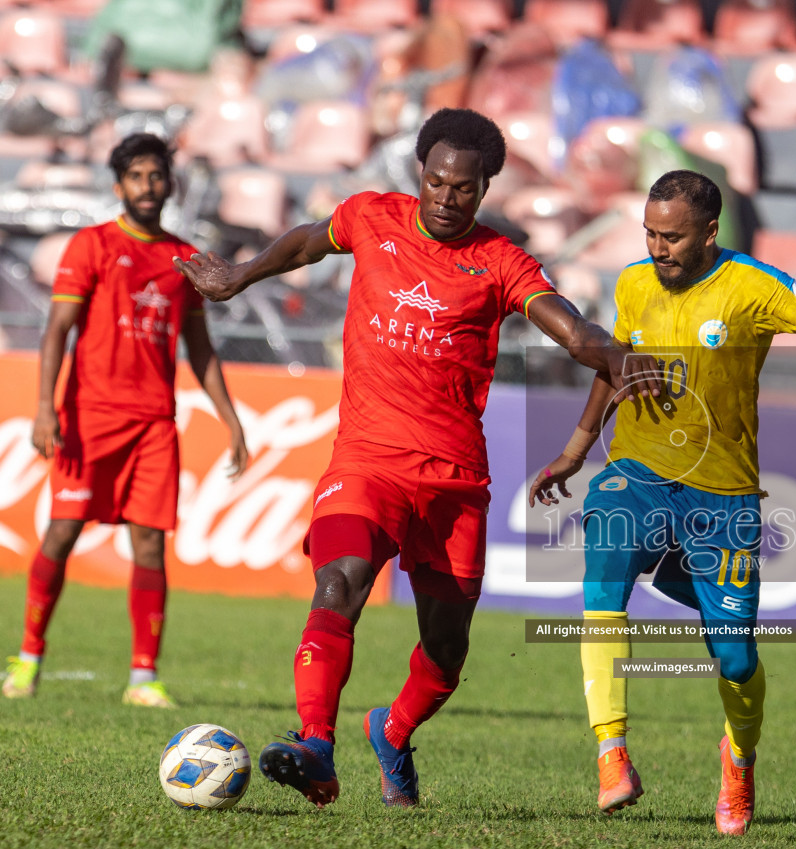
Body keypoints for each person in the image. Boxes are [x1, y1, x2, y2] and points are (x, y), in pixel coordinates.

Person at [176, 108, 655, 810]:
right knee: (339, 584)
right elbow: (308, 243)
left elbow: (568, 324)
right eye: (436, 182)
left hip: (455, 478)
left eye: (464, 188)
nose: (446, 198)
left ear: (485, 188)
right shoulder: (371, 217)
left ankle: (392, 731)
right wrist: (238, 277)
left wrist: (616, 355)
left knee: (446, 654)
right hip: (366, 460)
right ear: (419, 175)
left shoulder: (499, 261)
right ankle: (316, 744)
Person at [529, 169, 796, 835]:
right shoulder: (634, 282)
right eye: (649, 233)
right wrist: (577, 451)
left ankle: (739, 758)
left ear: (710, 233)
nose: (658, 247)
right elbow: (618, 368)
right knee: (601, 582)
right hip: (637, 470)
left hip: (721, 493)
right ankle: (612, 755)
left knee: (736, 656)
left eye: (672, 237)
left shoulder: (754, 287)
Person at [3, 132, 249, 709]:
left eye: (156, 175)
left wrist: (230, 419)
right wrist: (46, 408)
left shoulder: (183, 260)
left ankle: (143, 677)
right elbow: (58, 331)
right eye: (136, 176)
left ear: (170, 183)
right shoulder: (91, 246)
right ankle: (30, 655)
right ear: (119, 186)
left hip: (154, 424)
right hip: (88, 417)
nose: (147, 186)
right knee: (62, 532)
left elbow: (200, 345)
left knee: (149, 546)